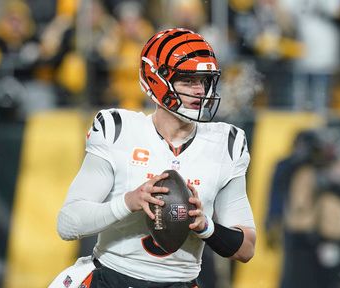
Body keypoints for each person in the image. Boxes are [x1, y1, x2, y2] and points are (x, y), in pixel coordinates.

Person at [49, 28, 256, 288]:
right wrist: (128, 202)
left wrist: (206, 227)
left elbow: (246, 248)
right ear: (157, 79)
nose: (199, 90)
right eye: (188, 80)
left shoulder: (226, 143)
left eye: (204, 80)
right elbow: (68, 224)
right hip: (113, 279)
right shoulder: (118, 130)